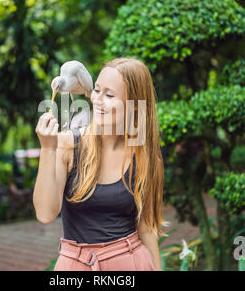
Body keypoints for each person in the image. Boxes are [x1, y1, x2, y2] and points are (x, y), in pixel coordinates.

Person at [33, 58, 169, 271]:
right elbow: (45, 214)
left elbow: (147, 231)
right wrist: (48, 149)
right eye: (97, 90)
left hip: (131, 264)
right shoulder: (69, 146)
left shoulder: (146, 159)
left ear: (133, 104)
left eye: (109, 95)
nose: (97, 100)